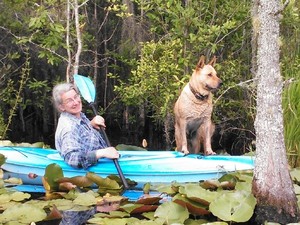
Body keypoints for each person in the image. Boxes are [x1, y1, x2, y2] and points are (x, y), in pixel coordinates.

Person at [52, 82, 119, 169]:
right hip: (93, 169)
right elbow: (72, 158)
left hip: (104, 162)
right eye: (69, 101)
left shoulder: (77, 116)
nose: (76, 102)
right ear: (61, 107)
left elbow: (81, 135)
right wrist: (101, 153)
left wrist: (91, 124)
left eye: (76, 97)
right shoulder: (68, 128)